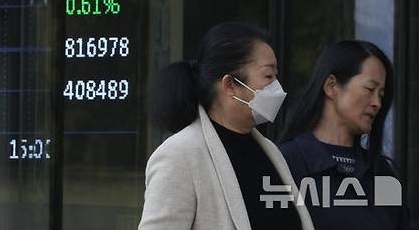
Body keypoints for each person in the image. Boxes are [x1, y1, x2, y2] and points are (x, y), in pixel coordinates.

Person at [139, 22, 314, 230]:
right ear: (229, 85)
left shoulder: (270, 151)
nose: (276, 86)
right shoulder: (180, 155)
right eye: (268, 76)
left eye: (276, 76)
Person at [278, 40, 416, 229]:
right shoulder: (286, 163)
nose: (377, 103)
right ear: (331, 86)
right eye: (369, 89)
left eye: (381, 94)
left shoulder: (381, 172)